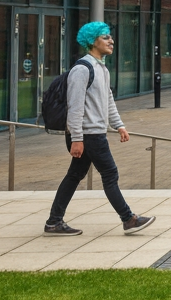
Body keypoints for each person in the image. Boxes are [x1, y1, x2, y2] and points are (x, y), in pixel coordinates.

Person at [44, 22, 157, 237]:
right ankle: (129, 219)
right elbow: (75, 107)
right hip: (88, 134)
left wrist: (119, 125)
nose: (111, 41)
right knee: (109, 173)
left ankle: (53, 222)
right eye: (105, 37)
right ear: (92, 41)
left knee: (74, 175)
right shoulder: (82, 69)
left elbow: (108, 101)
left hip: (93, 133)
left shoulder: (102, 69)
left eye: (110, 37)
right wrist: (77, 138)